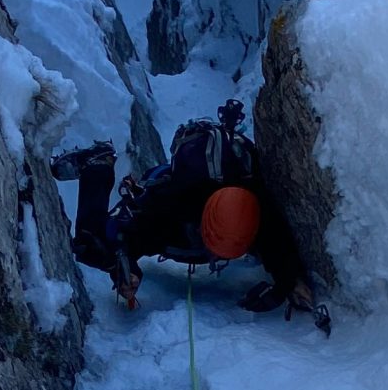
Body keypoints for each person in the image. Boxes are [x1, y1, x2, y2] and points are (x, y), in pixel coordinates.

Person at [54, 99, 331, 332]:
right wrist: (127, 273)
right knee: (92, 246)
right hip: (167, 200)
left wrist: (291, 283)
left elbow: (278, 245)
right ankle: (97, 165)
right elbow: (124, 239)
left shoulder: (257, 214)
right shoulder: (167, 210)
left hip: (211, 208)